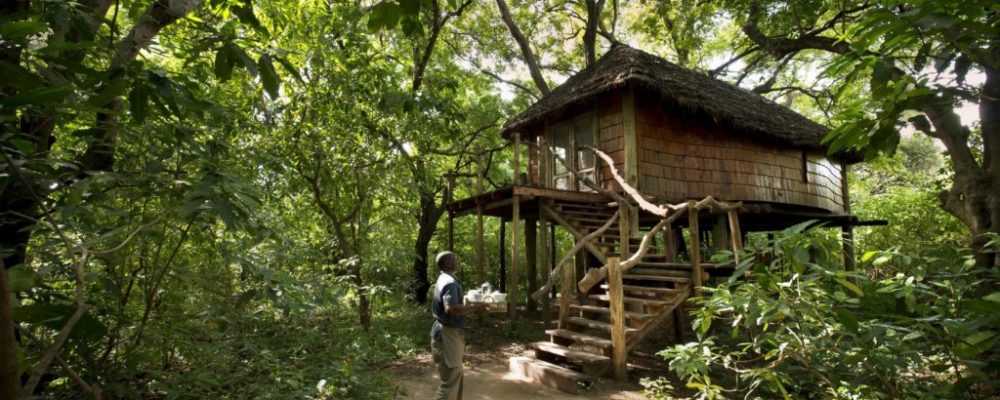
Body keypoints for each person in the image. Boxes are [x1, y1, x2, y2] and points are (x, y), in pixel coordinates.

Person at [430, 251, 488, 400]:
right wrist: (477, 307)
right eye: (455, 259)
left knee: (456, 376)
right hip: (448, 334)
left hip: (446, 333)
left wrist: (469, 304)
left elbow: (453, 306)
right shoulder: (449, 282)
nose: (457, 261)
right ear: (448, 263)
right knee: (450, 382)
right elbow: (451, 309)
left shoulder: (444, 279)